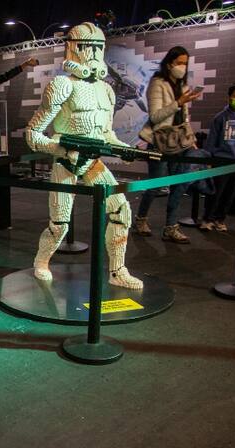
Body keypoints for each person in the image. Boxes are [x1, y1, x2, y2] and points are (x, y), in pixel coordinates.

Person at [25, 22, 142, 289]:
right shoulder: (62, 85)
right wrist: (60, 149)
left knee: (121, 210)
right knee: (60, 225)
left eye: (99, 47)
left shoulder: (106, 90)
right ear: (73, 48)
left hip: (91, 162)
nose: (94, 53)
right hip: (65, 161)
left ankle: (117, 271)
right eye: (88, 47)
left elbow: (106, 134)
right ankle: (41, 261)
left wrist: (123, 149)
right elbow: (33, 134)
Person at [134, 46, 203, 244]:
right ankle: (141, 219)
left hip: (181, 142)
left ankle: (171, 227)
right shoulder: (158, 83)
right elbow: (156, 117)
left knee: (179, 185)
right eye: (179, 62)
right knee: (155, 185)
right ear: (169, 63)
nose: (182, 67)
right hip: (161, 141)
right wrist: (178, 102)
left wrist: (191, 139)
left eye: (185, 63)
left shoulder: (182, 85)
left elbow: (184, 117)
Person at [200, 82, 235, 232]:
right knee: (215, 192)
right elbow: (212, 140)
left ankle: (220, 219)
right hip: (221, 161)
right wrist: (209, 160)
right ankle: (207, 219)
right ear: (230, 97)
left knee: (230, 194)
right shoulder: (220, 118)